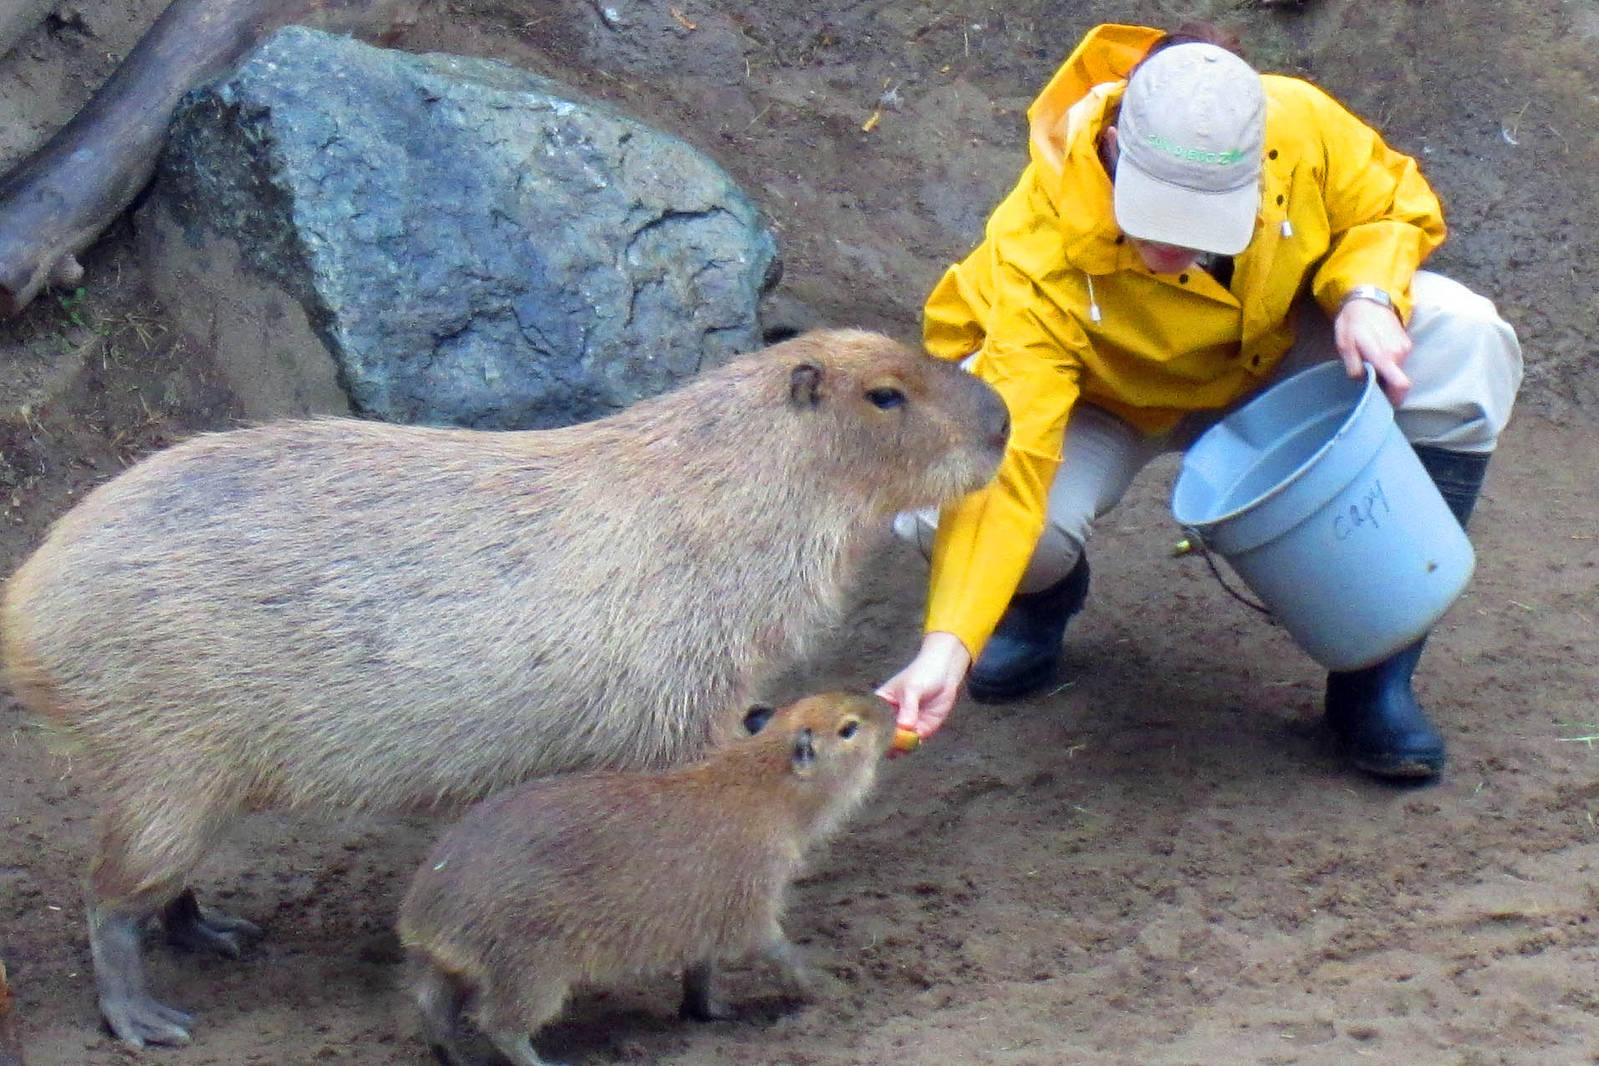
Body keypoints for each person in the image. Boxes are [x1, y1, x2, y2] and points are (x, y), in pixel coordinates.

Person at [877, 22, 1523, 781]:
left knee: (1462, 334)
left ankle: (1374, 674)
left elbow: (1389, 202)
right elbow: (1010, 460)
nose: (1175, 250)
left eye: (1204, 223)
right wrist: (946, 642)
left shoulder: (1294, 122)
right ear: (1115, 148)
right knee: (950, 492)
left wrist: (1366, 291)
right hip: (1105, 398)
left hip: (1273, 350)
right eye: (1157, 222)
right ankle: (1035, 602)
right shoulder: (1038, 248)